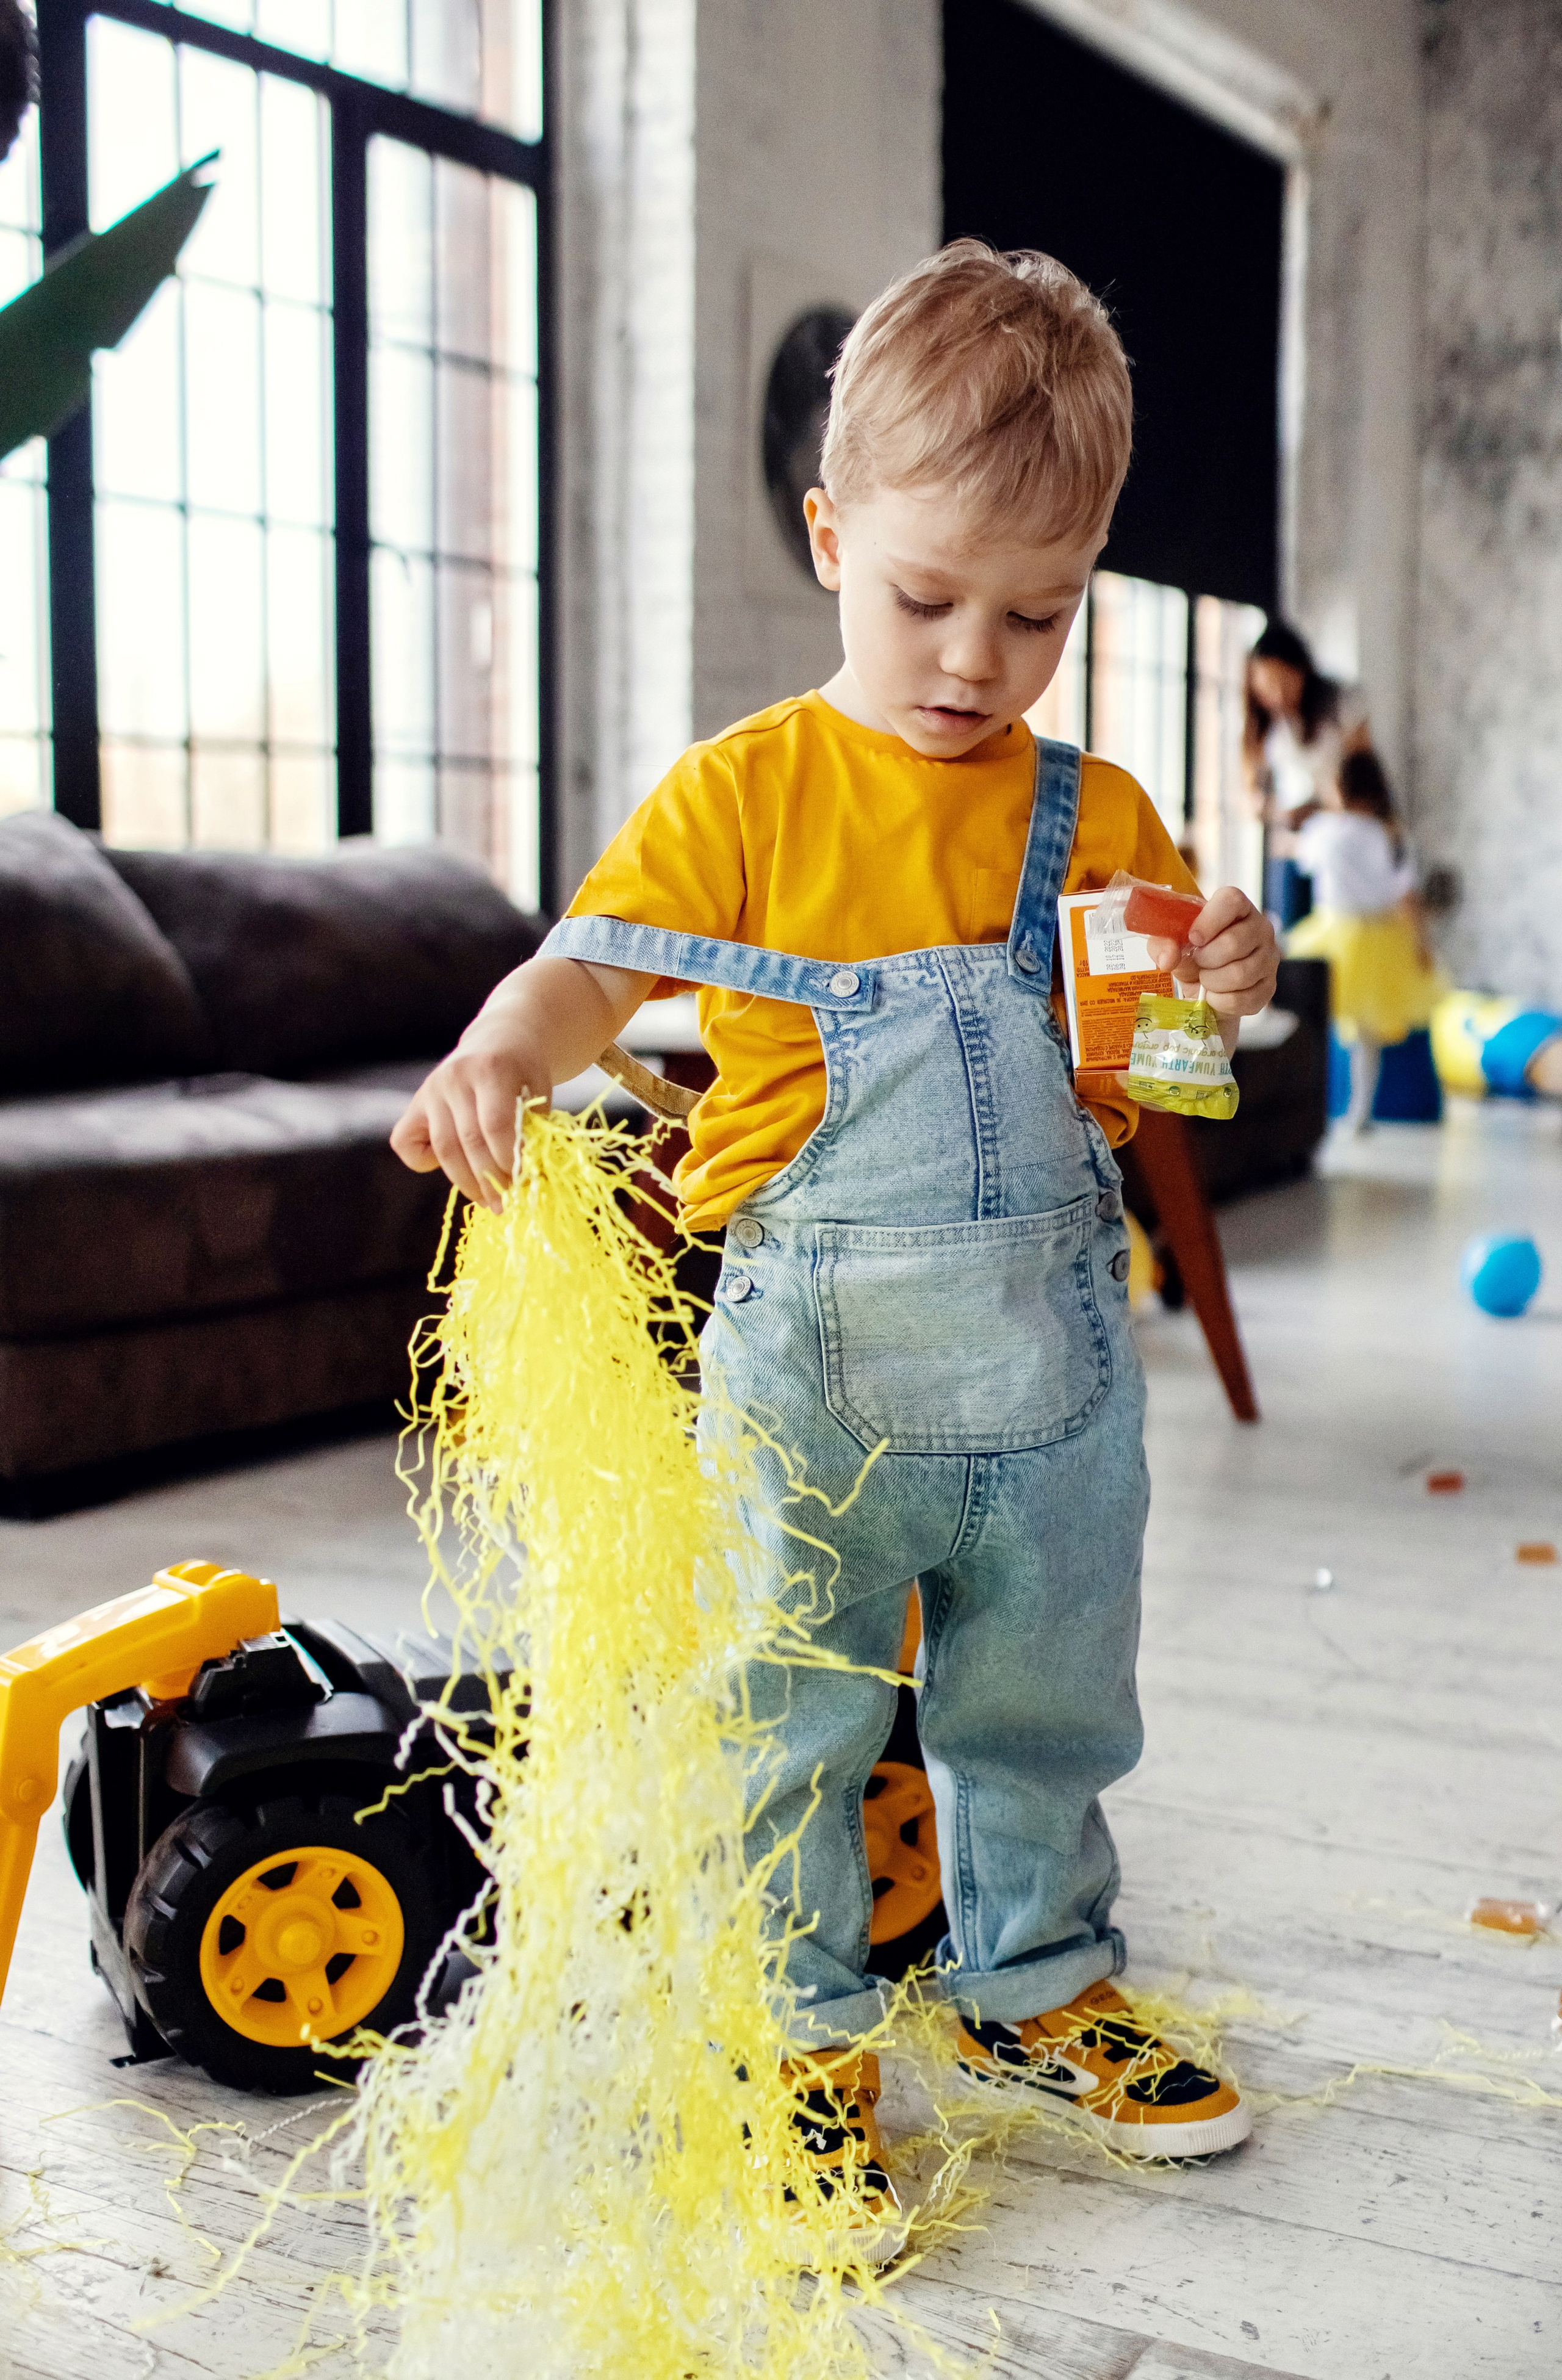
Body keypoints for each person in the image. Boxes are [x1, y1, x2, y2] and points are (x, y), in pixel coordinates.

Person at [391, 242, 1279, 2259]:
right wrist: (488, 1061)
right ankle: (798, 2044)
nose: (976, 657)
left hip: (1053, 1390)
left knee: (1048, 1697)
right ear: (830, 536)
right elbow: (583, 976)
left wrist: (1226, 970)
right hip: (811, 1378)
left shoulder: (1102, 814)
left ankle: (1041, 1981)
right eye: (924, 596)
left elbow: (1180, 1084)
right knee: (781, 1710)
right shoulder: (751, 797)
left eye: (1037, 612)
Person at [1286, 748, 1444, 1132]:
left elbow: (1298, 857)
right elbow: (1406, 898)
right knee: (1367, 1035)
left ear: (1340, 788)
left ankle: (1316, 1106)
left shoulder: (1323, 831)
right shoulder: (1387, 835)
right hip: (1380, 938)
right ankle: (1360, 1112)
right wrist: (1422, 947)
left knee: (1314, 1023)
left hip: (1333, 934)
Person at [1242, 620, 1370, 928]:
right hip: (1293, 847)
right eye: (1266, 690)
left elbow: (1362, 785)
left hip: (1339, 839)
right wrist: (1275, 812)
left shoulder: (1342, 705)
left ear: (1301, 671)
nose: (1277, 697)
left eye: (1283, 683)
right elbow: (1252, 799)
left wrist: (1318, 808)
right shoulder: (1268, 729)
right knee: (1293, 943)